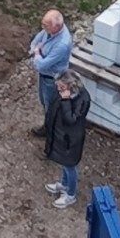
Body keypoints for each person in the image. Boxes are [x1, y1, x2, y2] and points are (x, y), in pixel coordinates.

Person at [43, 70, 91, 208]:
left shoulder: (82, 99)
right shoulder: (64, 93)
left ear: (71, 86)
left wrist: (65, 101)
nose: (58, 89)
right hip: (61, 136)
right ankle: (63, 184)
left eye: (61, 87)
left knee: (70, 166)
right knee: (64, 163)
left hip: (71, 140)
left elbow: (71, 120)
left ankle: (70, 195)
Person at [28, 9, 73, 133]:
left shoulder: (62, 44)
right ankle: (49, 125)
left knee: (50, 105)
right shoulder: (48, 31)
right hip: (44, 76)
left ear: (57, 26)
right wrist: (35, 51)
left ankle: (51, 130)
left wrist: (36, 53)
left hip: (52, 80)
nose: (43, 28)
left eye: (46, 25)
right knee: (43, 101)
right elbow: (35, 42)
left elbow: (41, 65)